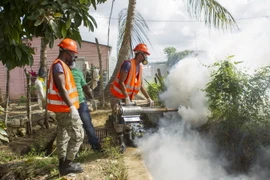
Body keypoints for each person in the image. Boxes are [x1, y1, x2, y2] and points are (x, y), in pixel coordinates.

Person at [47, 38, 84, 176]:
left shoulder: (61, 65)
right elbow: (62, 88)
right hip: (65, 109)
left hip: (63, 109)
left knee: (63, 135)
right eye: (73, 54)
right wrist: (72, 107)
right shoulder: (59, 66)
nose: (74, 57)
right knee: (78, 135)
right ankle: (68, 164)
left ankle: (63, 164)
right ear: (66, 52)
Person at [110, 43, 154, 152]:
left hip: (128, 97)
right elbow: (121, 82)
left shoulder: (139, 67)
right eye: (145, 55)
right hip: (118, 96)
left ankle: (129, 140)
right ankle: (121, 143)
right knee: (119, 119)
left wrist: (149, 98)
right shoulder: (128, 64)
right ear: (139, 54)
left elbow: (141, 84)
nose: (146, 57)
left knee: (129, 118)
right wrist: (126, 97)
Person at [69, 61, 103, 152]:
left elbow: (85, 87)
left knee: (74, 128)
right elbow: (85, 88)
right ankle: (95, 147)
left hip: (72, 104)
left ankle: (76, 151)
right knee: (87, 126)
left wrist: (91, 98)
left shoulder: (73, 73)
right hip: (76, 104)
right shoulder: (73, 73)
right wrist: (92, 98)